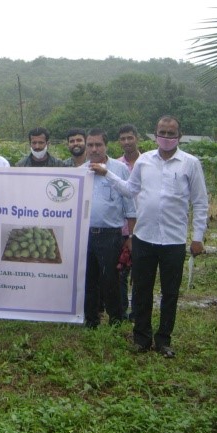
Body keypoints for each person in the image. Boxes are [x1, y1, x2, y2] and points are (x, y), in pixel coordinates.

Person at [90, 115, 207, 358]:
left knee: (170, 292)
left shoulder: (190, 163)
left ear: (179, 136)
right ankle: (141, 338)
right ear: (155, 135)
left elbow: (200, 202)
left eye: (171, 133)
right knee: (141, 289)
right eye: (162, 133)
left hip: (173, 240)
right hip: (144, 237)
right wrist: (108, 175)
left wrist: (197, 237)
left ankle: (163, 339)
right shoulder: (144, 161)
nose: (166, 137)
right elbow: (130, 190)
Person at [84, 128, 135, 329]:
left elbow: (130, 206)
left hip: (110, 236)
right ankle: (90, 320)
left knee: (111, 280)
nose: (94, 149)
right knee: (89, 280)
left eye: (98, 145)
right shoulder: (81, 171)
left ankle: (115, 320)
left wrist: (131, 236)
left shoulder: (119, 169)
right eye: (90, 145)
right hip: (85, 235)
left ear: (106, 146)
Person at [116, 124, 142, 320]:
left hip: (144, 226)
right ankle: (123, 309)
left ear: (137, 138)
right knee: (121, 271)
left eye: (129, 138)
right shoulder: (116, 166)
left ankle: (138, 311)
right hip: (122, 227)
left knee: (140, 272)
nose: (126, 142)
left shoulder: (148, 163)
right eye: (123, 139)